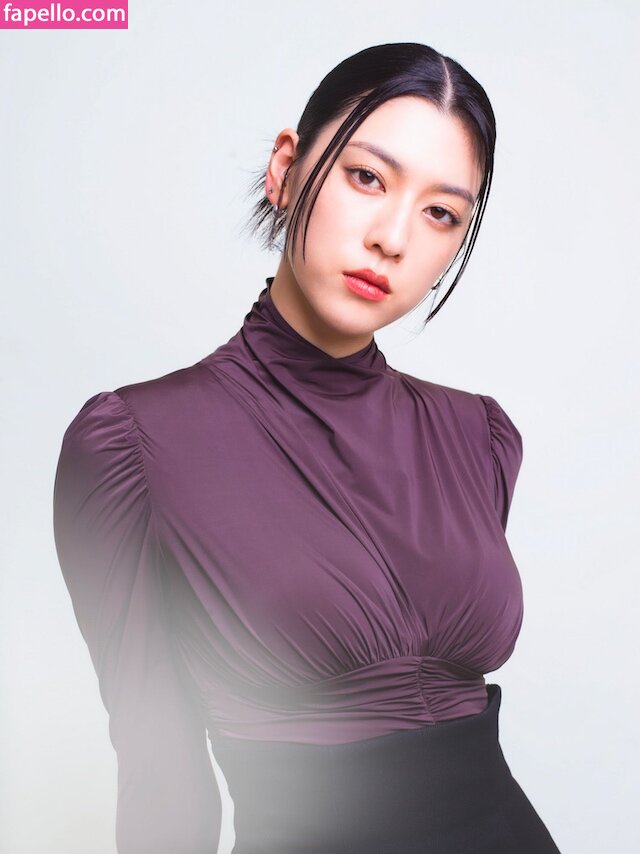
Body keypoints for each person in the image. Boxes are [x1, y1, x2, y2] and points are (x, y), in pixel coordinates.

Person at [53, 42, 561, 854]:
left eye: (441, 214)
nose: (392, 239)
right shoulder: (134, 446)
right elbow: (159, 770)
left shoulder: (480, 436)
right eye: (367, 178)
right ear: (286, 170)